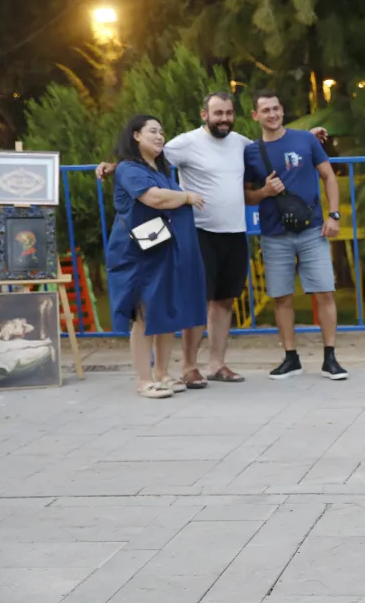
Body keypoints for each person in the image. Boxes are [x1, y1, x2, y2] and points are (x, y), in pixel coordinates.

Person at [96, 93, 327, 389]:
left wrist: (306, 137)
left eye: (229, 113)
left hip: (234, 231)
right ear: (204, 115)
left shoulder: (241, 142)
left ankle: (216, 364)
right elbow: (145, 155)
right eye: (218, 113)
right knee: (196, 300)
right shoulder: (185, 142)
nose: (225, 118)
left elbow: (273, 142)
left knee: (224, 301)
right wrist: (114, 166)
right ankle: (189, 367)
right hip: (200, 233)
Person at [243, 90, 348, 381]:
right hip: (274, 233)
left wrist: (334, 215)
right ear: (255, 115)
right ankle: (291, 358)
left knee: (325, 291)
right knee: (281, 296)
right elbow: (248, 197)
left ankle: (330, 357)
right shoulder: (250, 151)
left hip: (313, 229)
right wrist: (264, 192)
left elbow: (329, 176)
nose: (272, 114)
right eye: (265, 110)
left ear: (282, 109)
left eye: (276, 108)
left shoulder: (306, 139)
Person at [106, 115, 208, 399]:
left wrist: (179, 196)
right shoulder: (129, 169)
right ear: (136, 135)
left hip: (163, 250)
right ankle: (143, 379)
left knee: (165, 309)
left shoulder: (162, 170)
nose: (160, 137)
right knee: (144, 314)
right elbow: (154, 198)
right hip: (137, 252)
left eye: (162, 132)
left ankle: (163, 373)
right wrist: (186, 197)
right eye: (153, 131)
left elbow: (165, 194)